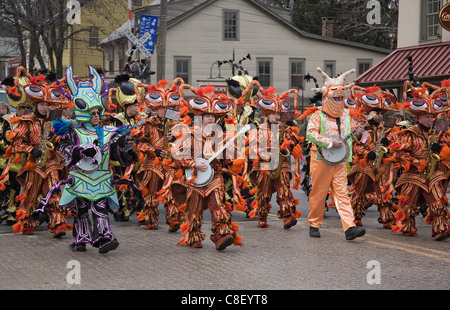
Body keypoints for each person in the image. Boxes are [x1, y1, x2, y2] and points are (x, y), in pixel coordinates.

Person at [51, 66, 137, 253]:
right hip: (80, 177)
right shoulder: (73, 131)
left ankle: (105, 238)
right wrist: (78, 152)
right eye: (93, 113)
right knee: (81, 210)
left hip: (102, 177)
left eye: (98, 112)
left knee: (100, 209)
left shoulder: (108, 132)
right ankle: (81, 238)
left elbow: (115, 154)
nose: (97, 116)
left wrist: (127, 154)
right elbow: (64, 151)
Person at [167, 84, 243, 250]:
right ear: (200, 117)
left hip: (215, 176)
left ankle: (221, 235)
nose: (210, 118)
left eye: (212, 116)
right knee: (194, 210)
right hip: (195, 178)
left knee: (218, 205)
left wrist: (232, 151)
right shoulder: (190, 134)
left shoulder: (221, 136)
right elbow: (177, 156)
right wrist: (194, 164)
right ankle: (193, 235)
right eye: (207, 115)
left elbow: (232, 158)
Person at [1, 70, 70, 237]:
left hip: (52, 161)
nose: (45, 107)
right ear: (36, 105)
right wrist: (32, 149)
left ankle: (58, 224)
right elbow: (17, 144)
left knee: (53, 191)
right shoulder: (27, 121)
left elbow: (62, 138)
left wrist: (58, 140)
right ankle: (26, 222)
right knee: (31, 195)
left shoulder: (54, 120)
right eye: (42, 104)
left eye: (47, 104)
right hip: (33, 163)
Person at [304, 67, 366, 240]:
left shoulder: (347, 115)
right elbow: (310, 133)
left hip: (340, 161)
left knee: (342, 193)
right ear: (326, 96)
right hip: (321, 160)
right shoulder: (318, 115)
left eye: (341, 97)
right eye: (335, 97)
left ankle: (349, 227)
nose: (339, 100)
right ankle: (314, 224)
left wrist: (359, 132)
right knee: (319, 192)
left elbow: (352, 132)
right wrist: (330, 142)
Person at [390, 82, 450, 241]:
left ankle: (441, 229)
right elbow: (399, 152)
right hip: (414, 174)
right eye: (427, 116)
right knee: (408, 204)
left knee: (438, 201)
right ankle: (407, 226)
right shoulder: (410, 133)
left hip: (433, 173)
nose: (430, 119)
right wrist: (415, 162)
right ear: (419, 117)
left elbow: (447, 148)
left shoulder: (437, 132)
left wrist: (440, 149)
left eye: (431, 116)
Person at [245, 81, 303, 229]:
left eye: (278, 114)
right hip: (264, 165)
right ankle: (262, 216)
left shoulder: (285, 128)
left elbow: (295, 141)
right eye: (273, 114)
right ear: (267, 114)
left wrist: (288, 144)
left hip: (281, 163)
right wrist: (262, 153)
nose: (276, 116)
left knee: (284, 190)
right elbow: (252, 148)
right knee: (264, 194)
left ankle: (287, 217)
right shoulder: (258, 130)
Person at [133, 78, 185, 231]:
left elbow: (186, 142)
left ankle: (173, 220)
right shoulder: (147, 123)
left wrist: (176, 138)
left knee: (171, 191)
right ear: (155, 108)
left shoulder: (176, 124)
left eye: (167, 107)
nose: (164, 110)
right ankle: (151, 219)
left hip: (169, 164)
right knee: (151, 193)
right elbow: (139, 144)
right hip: (152, 164)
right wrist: (153, 150)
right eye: (161, 108)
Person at [347, 86, 399, 228]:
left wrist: (387, 145)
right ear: (370, 113)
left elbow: (395, 143)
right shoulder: (361, 127)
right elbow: (352, 145)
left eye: (381, 114)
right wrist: (365, 153)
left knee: (384, 191)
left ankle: (387, 218)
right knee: (359, 191)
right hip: (365, 165)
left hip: (381, 165)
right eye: (377, 113)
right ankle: (354, 218)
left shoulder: (386, 128)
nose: (379, 116)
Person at [106, 74, 147, 222]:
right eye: (135, 105)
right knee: (123, 184)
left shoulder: (142, 118)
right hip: (123, 157)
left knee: (140, 184)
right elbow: (112, 140)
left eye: (138, 105)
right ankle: (124, 209)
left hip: (140, 156)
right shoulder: (117, 119)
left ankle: (142, 211)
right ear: (128, 105)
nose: (138, 107)